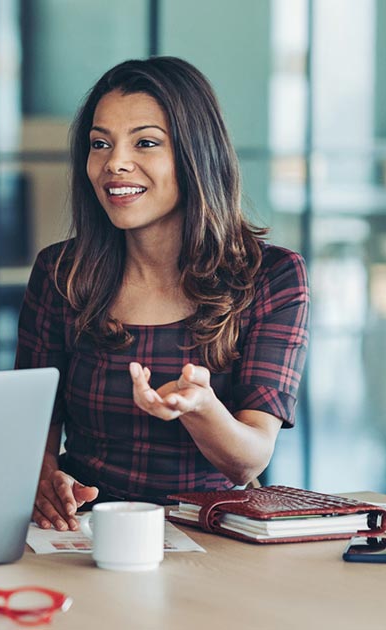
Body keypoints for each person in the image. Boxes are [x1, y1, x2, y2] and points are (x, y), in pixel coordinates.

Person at [16, 57, 310, 531]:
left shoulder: (271, 276)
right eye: (100, 144)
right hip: (83, 530)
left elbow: (249, 462)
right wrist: (45, 481)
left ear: (197, 154)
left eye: (146, 142)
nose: (115, 164)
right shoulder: (60, 272)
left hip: (212, 532)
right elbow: (34, 430)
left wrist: (200, 409)